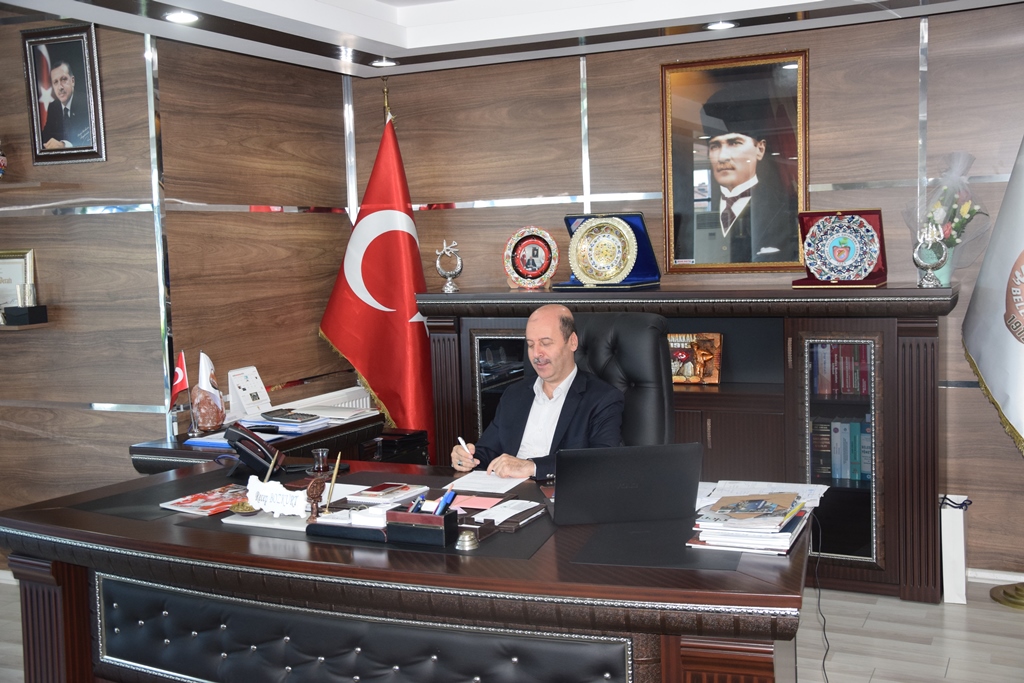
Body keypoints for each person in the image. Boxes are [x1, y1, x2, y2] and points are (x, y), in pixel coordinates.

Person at [451, 304, 624, 479]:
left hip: (559, 491)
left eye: (545, 343)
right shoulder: (514, 394)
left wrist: (533, 467)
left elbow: (600, 461)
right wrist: (466, 458)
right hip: (507, 491)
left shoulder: (603, 399)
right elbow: (486, 452)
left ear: (572, 341)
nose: (536, 354)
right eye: (530, 345)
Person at [699, 82, 798, 263]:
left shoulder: (770, 200)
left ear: (760, 149)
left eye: (734, 143)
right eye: (715, 146)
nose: (723, 156)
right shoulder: (717, 204)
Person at [39, 60, 92, 150]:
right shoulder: (53, 107)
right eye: (55, 82)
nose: (60, 87)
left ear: (72, 81)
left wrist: (64, 145)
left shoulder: (86, 103)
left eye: (63, 79)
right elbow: (45, 138)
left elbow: (88, 139)